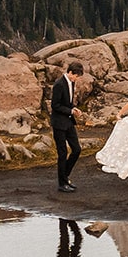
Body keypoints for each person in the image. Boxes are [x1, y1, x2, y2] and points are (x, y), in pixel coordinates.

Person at [51, 61, 85, 192]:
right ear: (70, 72)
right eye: (76, 76)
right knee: (62, 153)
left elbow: (68, 102)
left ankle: (65, 176)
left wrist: (73, 109)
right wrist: (70, 111)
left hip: (69, 122)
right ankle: (62, 183)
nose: (76, 79)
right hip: (59, 123)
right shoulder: (59, 84)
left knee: (76, 149)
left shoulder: (72, 82)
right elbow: (55, 105)